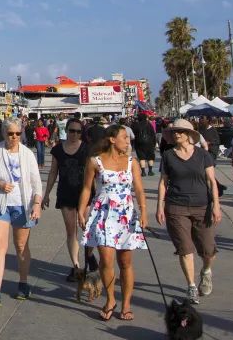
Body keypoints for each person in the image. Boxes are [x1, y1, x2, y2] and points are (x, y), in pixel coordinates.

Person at [79, 124, 148, 322]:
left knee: (125, 262)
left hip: (125, 214)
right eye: (124, 137)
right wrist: (81, 211)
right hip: (102, 213)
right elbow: (86, 188)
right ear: (112, 139)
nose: (128, 141)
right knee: (106, 260)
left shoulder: (131, 162)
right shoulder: (95, 161)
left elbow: (140, 189)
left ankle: (126, 304)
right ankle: (110, 300)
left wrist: (143, 211)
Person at [157, 118, 222, 304]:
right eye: (174, 132)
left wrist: (216, 205)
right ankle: (191, 286)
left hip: (202, 206)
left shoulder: (203, 155)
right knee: (185, 248)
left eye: (181, 131)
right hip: (176, 206)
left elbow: (212, 181)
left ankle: (206, 271)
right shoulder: (168, 155)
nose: (177, 134)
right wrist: (160, 206)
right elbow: (163, 182)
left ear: (189, 135)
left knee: (208, 250)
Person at [0, 119, 43, 306]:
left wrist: (37, 204)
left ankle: (23, 283)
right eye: (10, 133)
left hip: (22, 205)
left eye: (17, 133)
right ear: (4, 133)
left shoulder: (27, 154)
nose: (14, 137)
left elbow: (36, 182)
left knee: (21, 246)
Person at [42, 118, 97, 279]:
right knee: (71, 231)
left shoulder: (88, 149)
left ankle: (89, 256)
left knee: (87, 230)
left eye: (78, 132)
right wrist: (46, 194)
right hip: (65, 193)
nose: (75, 134)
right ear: (66, 130)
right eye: (72, 131)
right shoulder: (58, 149)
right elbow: (53, 172)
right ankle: (76, 267)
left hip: (85, 194)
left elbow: (94, 174)